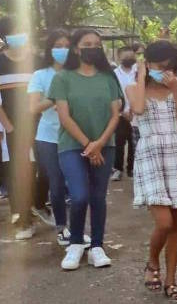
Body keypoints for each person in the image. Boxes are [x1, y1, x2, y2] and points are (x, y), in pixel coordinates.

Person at [128, 41, 177, 301]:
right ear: (148, 64)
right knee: (164, 222)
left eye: (169, 67)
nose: (165, 72)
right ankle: (152, 262)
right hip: (150, 156)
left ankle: (171, 280)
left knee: (175, 225)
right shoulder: (133, 88)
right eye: (159, 67)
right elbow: (137, 109)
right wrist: (141, 75)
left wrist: (176, 90)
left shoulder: (176, 88)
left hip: (176, 155)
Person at [49, 29, 123, 270]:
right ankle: (76, 243)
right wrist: (88, 145)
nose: (93, 48)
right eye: (87, 44)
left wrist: (99, 143)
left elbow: (115, 115)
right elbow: (64, 116)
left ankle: (97, 246)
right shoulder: (63, 78)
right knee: (79, 196)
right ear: (76, 48)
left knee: (98, 197)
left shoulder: (108, 78)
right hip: (72, 146)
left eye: (97, 44)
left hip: (105, 145)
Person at [27, 29, 75, 246]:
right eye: (58, 45)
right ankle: (61, 228)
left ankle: (77, 227)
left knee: (76, 184)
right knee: (55, 184)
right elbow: (33, 107)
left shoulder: (77, 73)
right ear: (50, 49)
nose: (62, 50)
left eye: (67, 45)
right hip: (48, 137)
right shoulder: (40, 75)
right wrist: (55, 96)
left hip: (74, 135)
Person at [0, 18, 41, 235]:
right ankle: (23, 220)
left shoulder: (37, 61)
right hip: (12, 128)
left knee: (39, 168)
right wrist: (9, 128)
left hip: (39, 125)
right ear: (4, 36)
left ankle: (36, 207)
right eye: (14, 31)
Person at [112, 46, 138, 180]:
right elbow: (113, 94)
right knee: (119, 142)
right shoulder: (114, 74)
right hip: (120, 113)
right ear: (119, 57)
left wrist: (133, 109)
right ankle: (117, 169)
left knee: (135, 142)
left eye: (130, 55)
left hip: (136, 112)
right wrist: (122, 111)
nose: (128, 58)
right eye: (125, 56)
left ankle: (132, 168)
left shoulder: (138, 72)